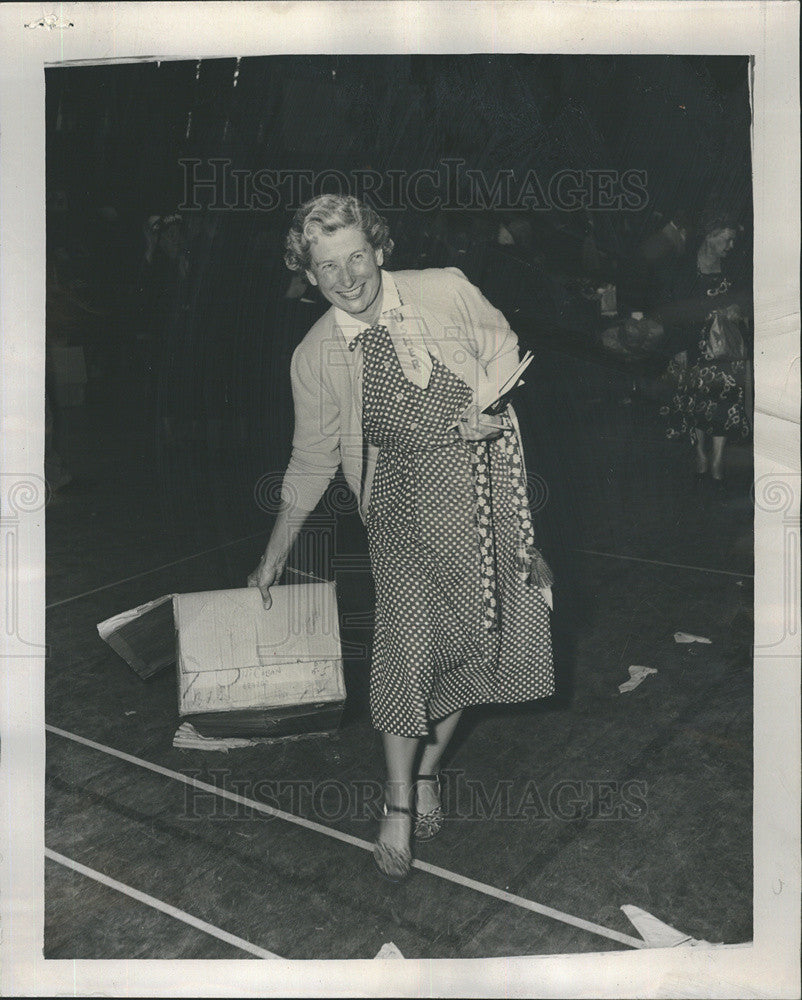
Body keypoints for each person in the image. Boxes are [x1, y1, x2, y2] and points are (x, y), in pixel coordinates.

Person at [248, 195, 555, 881]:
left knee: (482, 646)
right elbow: (310, 460)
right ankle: (398, 805)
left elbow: (503, 344)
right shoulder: (315, 356)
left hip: (483, 494)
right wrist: (270, 561)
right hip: (399, 511)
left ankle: (427, 771)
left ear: (380, 248)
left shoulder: (443, 288)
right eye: (327, 265)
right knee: (403, 656)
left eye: (357, 255)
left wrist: (490, 406)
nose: (348, 276)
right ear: (309, 273)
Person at [653, 210, 752, 492]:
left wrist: (738, 309)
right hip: (692, 345)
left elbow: (747, 299)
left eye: (733, 241)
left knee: (726, 397)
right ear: (710, 236)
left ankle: (718, 458)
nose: (731, 247)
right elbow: (669, 313)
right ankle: (700, 453)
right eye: (727, 240)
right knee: (698, 400)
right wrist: (678, 348)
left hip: (725, 347)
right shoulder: (681, 268)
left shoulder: (735, 268)